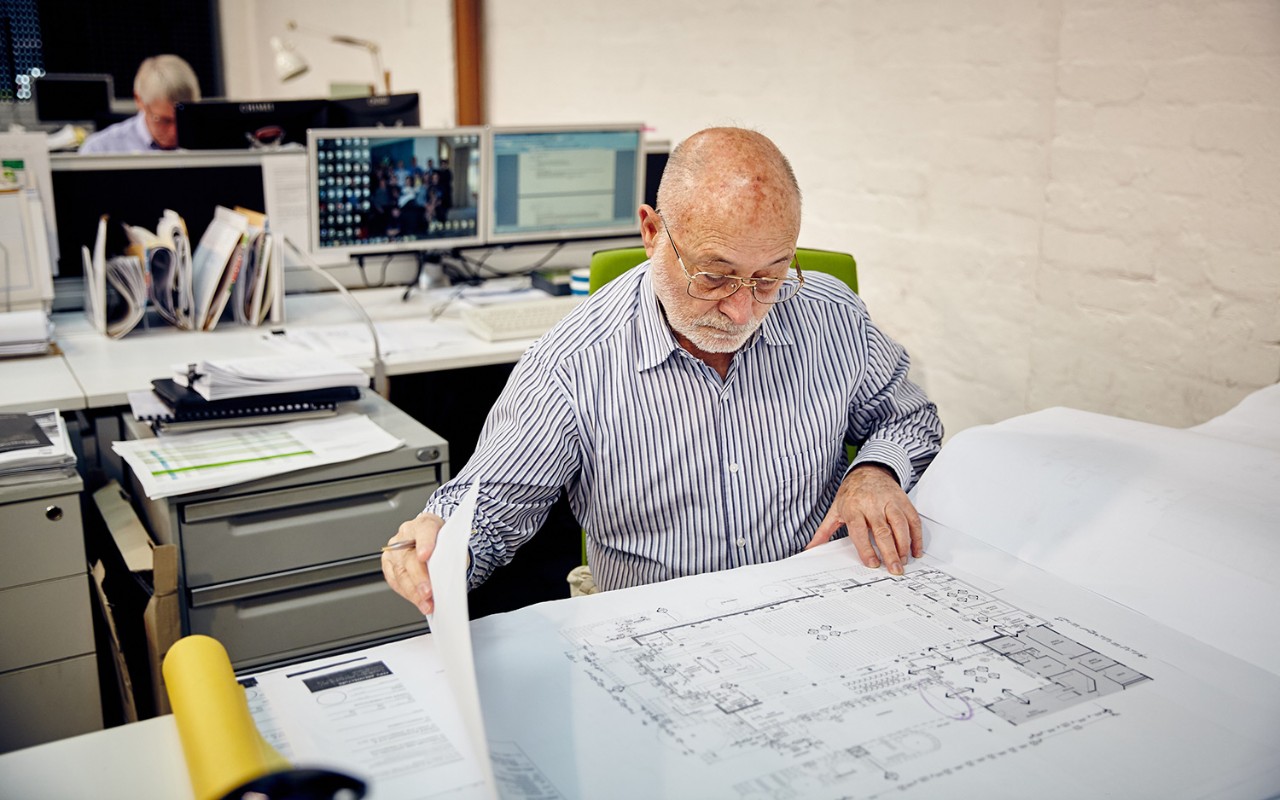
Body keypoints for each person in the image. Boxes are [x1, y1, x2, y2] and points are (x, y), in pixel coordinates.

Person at [383, 127, 943, 615]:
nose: (742, 310)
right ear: (652, 232)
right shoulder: (573, 363)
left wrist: (874, 472)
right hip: (657, 629)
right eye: (714, 276)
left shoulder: (829, 314)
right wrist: (439, 542)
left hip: (813, 605)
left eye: (770, 277)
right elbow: (492, 508)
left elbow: (911, 419)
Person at [79, 55, 200, 154]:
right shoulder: (101, 149)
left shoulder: (210, 143)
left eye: (182, 120)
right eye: (164, 121)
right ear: (139, 100)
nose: (174, 131)